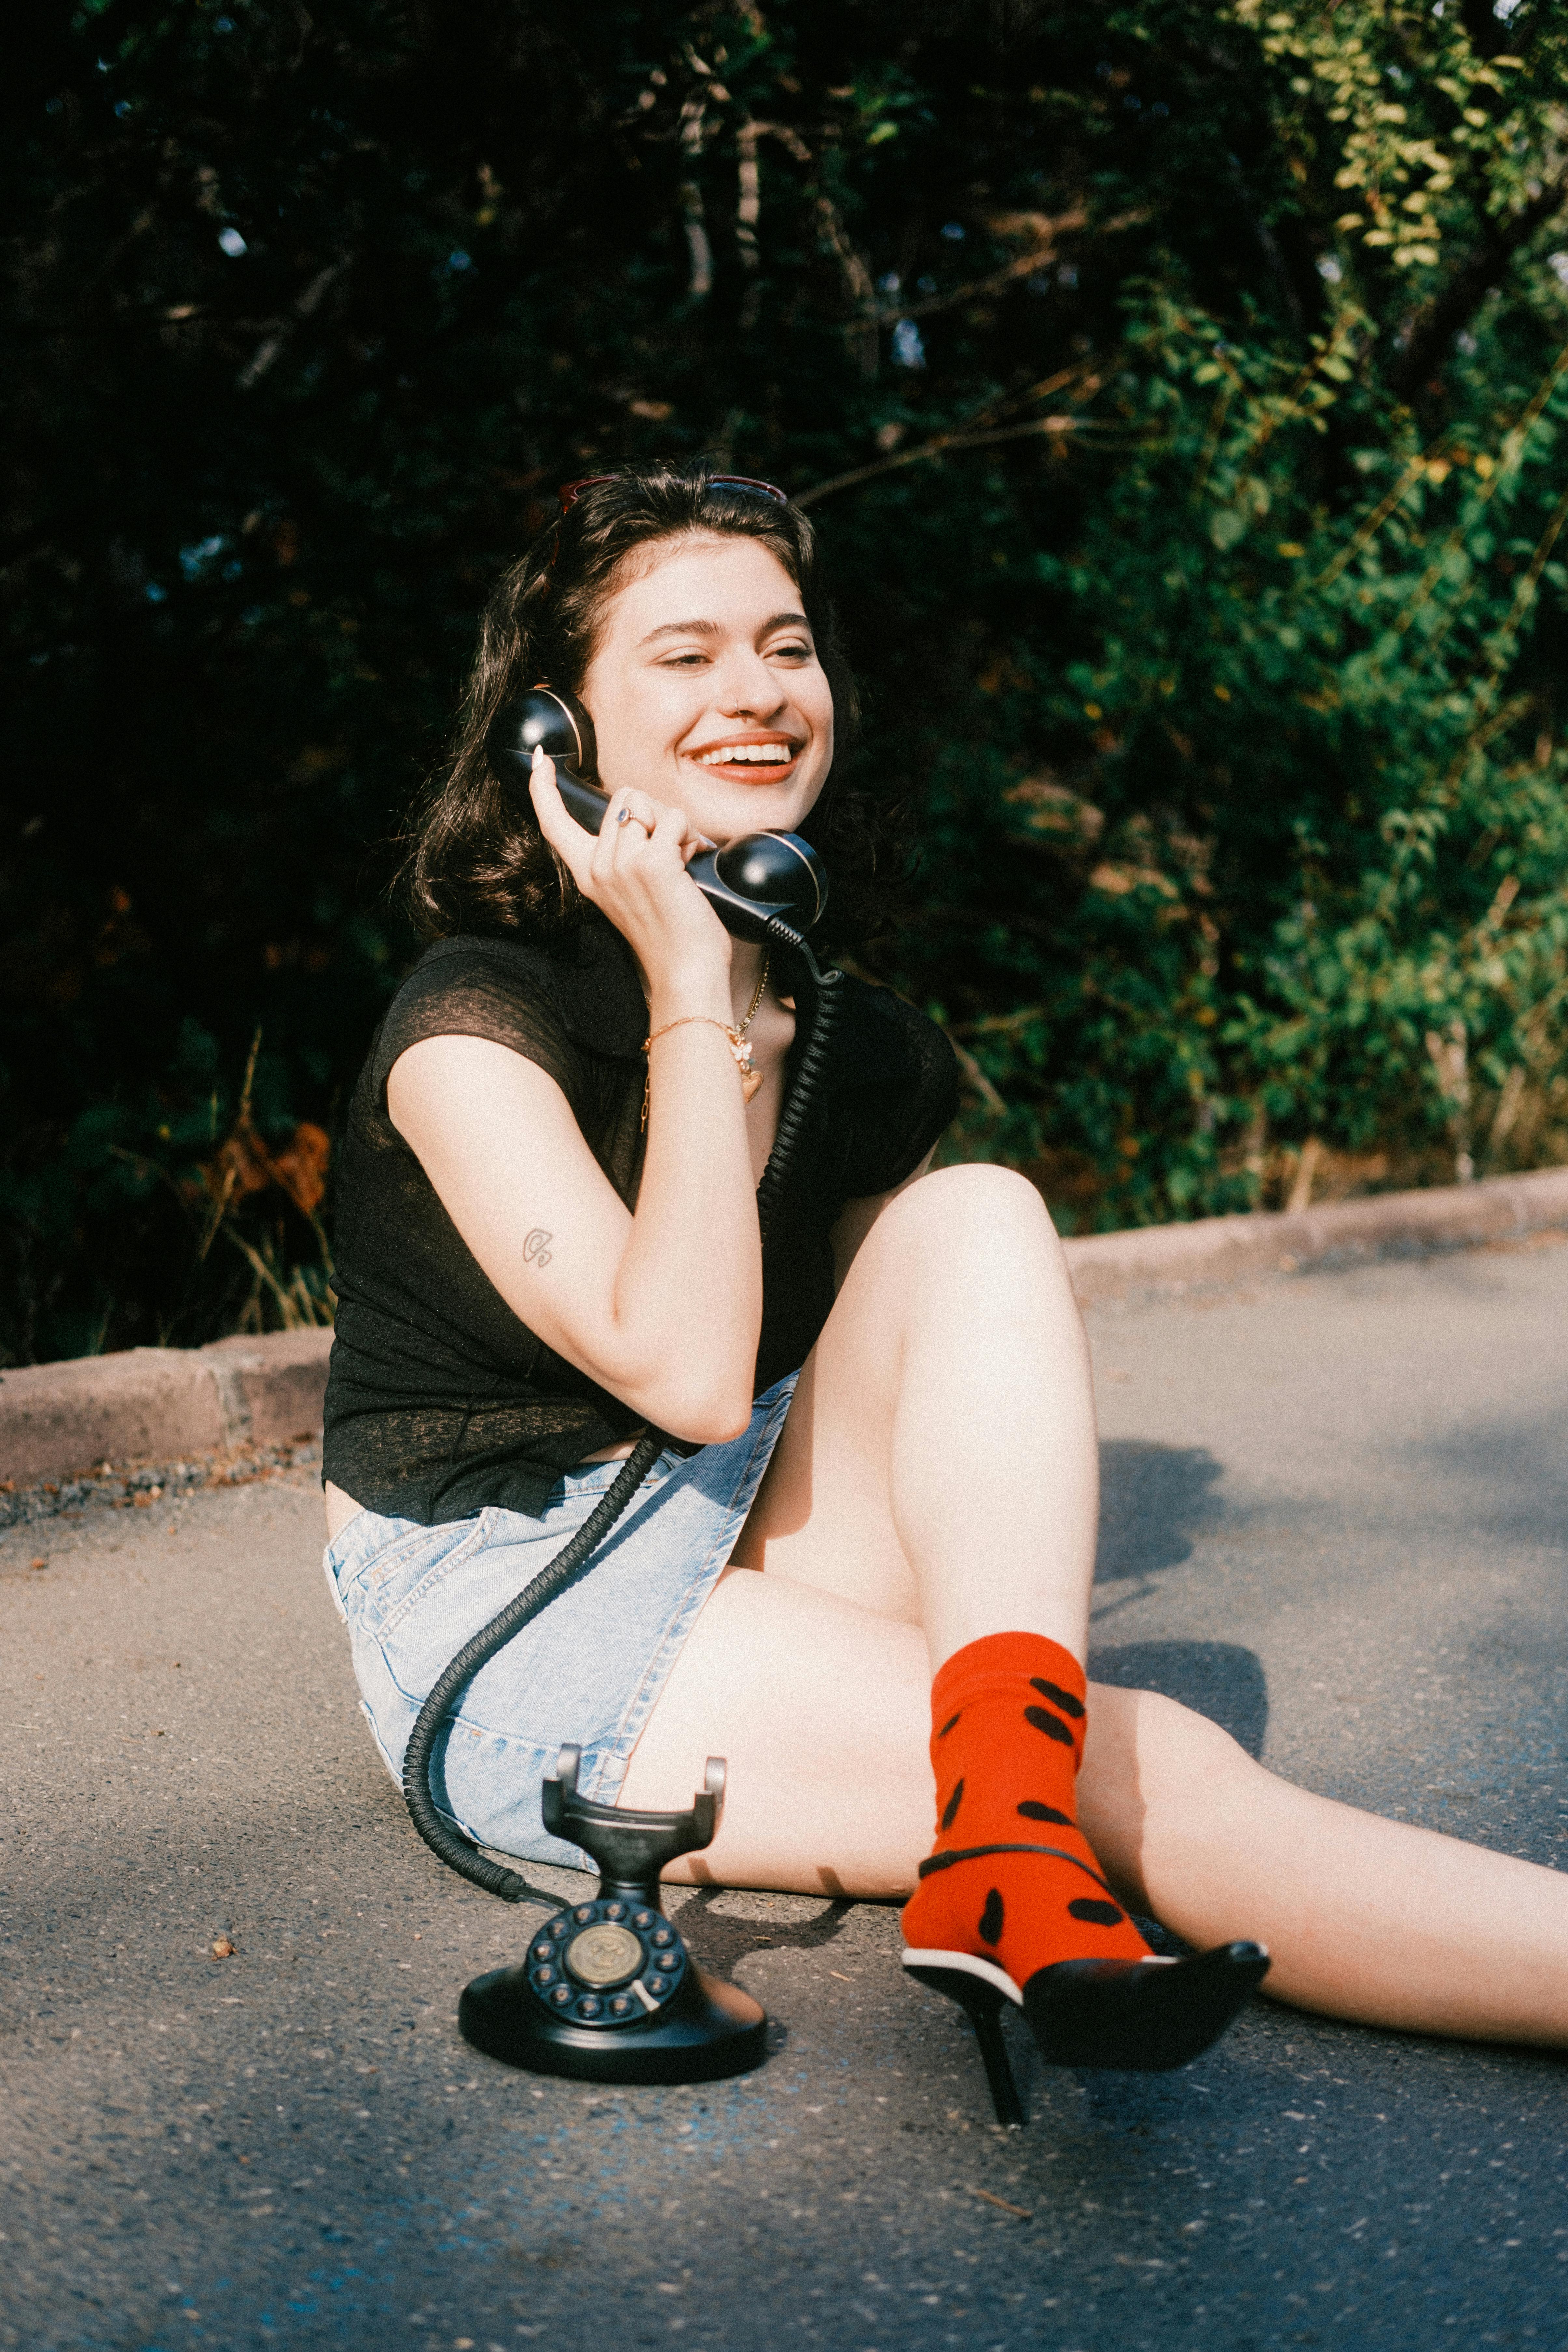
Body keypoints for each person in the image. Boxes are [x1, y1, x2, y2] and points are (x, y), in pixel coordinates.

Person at [321, 462, 1568, 2092]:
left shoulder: (860, 1045)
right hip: (511, 1612)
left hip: (717, 1513)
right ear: (557, 735)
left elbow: (879, 1394)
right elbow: (685, 1367)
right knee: (1147, 1772)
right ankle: (1023, 1842)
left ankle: (1002, 1833)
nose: (757, 693)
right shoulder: (471, 1027)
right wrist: (688, 980)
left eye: (785, 646)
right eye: (683, 657)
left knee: (976, 1210)